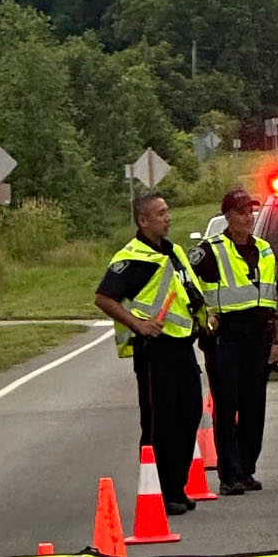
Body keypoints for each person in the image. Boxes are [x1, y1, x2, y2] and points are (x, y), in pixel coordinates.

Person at [94, 192, 207, 513]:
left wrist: (205, 320)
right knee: (160, 422)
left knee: (189, 416)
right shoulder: (133, 258)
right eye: (160, 213)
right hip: (155, 350)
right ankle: (158, 491)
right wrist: (137, 324)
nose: (167, 217)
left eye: (167, 211)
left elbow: (187, 294)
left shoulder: (173, 252)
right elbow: (104, 298)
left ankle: (176, 486)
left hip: (182, 345)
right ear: (143, 221)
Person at [190, 187, 278, 495]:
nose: (248, 217)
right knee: (228, 406)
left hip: (258, 335)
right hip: (225, 336)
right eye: (242, 212)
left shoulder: (265, 250)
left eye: (251, 211)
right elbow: (186, 284)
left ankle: (247, 468)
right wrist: (203, 319)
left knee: (255, 405)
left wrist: (277, 339)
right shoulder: (210, 250)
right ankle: (230, 475)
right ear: (228, 216)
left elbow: (272, 298)